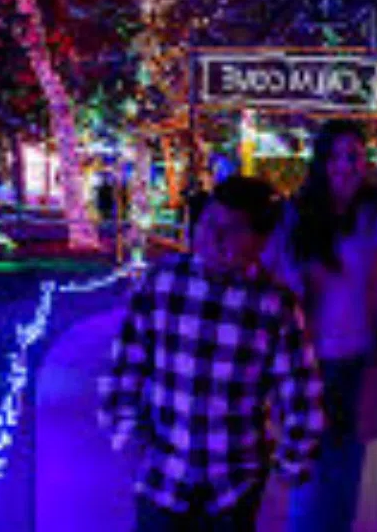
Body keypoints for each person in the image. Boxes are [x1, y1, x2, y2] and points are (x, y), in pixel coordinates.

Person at [97, 176, 325, 532]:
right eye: (208, 222)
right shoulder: (163, 282)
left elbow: (302, 393)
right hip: (162, 475)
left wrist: (289, 468)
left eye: (232, 229)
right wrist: (124, 432)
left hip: (235, 485)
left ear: (261, 240)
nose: (213, 236)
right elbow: (126, 362)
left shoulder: (273, 304)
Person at [262, 119, 377, 532]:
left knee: (345, 475)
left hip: (359, 364)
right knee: (309, 473)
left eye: (353, 155)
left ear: (365, 162)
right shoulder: (294, 216)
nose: (345, 165)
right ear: (321, 162)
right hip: (305, 365)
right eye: (335, 156)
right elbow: (269, 279)